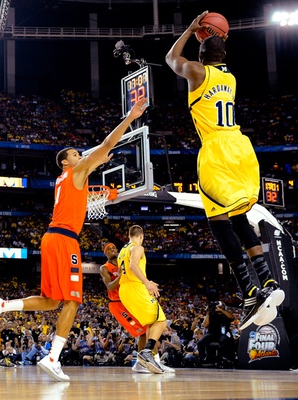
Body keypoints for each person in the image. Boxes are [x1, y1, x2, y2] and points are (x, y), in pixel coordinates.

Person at [0, 98, 148, 381]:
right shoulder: (75, 171)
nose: (82, 155)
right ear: (65, 162)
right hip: (65, 240)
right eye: (77, 153)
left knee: (51, 300)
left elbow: (95, 157)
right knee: (72, 301)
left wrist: (94, 162)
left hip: (52, 238)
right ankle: (53, 357)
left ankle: (3, 305)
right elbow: (106, 144)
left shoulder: (65, 178)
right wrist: (131, 117)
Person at [165, 11, 284, 330]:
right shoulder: (229, 78)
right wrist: (212, 39)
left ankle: (250, 291)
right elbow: (216, 53)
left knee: (217, 221)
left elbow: (170, 58)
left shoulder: (195, 72)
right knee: (239, 216)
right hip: (241, 149)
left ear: (201, 54)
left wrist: (190, 30)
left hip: (216, 151)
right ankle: (268, 281)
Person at [117, 225, 169, 374]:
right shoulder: (138, 248)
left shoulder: (122, 251)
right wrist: (147, 282)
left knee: (150, 323)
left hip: (124, 290)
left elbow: (121, 271)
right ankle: (147, 352)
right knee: (161, 320)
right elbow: (133, 265)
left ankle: (148, 360)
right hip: (136, 287)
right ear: (141, 236)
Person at [100, 242, 150, 373]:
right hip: (117, 305)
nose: (112, 249)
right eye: (109, 249)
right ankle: (141, 362)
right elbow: (110, 286)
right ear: (105, 253)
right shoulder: (104, 268)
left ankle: (148, 360)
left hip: (129, 301)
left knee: (148, 328)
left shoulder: (124, 263)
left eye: (113, 247)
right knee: (142, 331)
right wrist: (120, 276)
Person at [197, 300, 235, 365]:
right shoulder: (212, 314)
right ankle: (202, 359)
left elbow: (232, 318)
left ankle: (225, 358)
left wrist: (221, 311)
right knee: (200, 342)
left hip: (222, 334)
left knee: (225, 340)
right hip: (211, 334)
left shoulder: (225, 314)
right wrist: (208, 313)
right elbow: (205, 325)